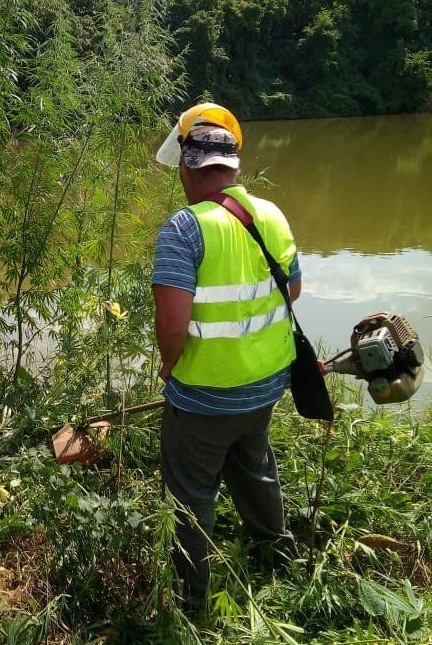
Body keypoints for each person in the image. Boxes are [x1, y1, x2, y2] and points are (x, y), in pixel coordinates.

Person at [151, 102, 301, 615]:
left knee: (191, 495)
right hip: (265, 386)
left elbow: (172, 325)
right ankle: (279, 559)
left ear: (189, 169)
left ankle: (192, 604)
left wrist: (168, 367)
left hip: (202, 397)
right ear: (233, 166)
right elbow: (294, 290)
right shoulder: (273, 215)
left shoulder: (184, 229)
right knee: (254, 466)